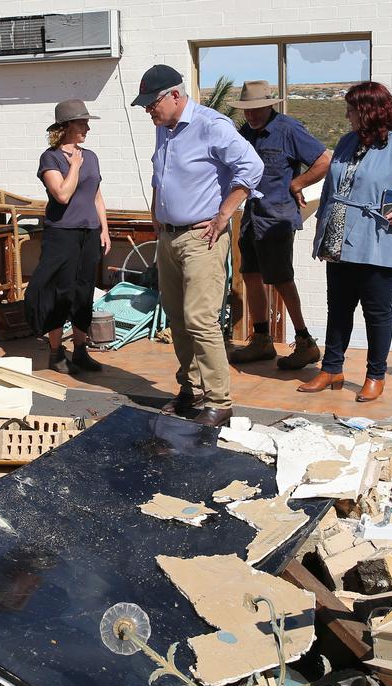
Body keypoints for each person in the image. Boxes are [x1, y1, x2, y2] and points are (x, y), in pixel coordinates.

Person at [131, 64, 263, 427]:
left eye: (152, 103)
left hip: (201, 237)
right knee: (176, 317)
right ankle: (191, 390)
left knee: (200, 319)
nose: (148, 111)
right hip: (169, 236)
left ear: (175, 95)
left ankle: (219, 401)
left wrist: (224, 215)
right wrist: (156, 210)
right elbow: (161, 172)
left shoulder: (211, 125)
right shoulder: (165, 128)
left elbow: (251, 167)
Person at [299, 81, 392, 402]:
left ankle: (375, 375)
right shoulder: (346, 141)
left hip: (378, 240)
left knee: (376, 311)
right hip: (339, 240)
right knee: (337, 308)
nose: (348, 115)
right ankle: (332, 369)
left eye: (352, 109)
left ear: (369, 111)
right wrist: (321, 230)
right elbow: (331, 188)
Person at [228, 80, 330, 370]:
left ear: (269, 105)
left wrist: (297, 183)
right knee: (250, 273)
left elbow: (324, 161)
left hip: (277, 216)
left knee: (281, 278)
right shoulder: (245, 133)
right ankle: (262, 340)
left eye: (257, 109)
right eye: (247, 111)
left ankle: (305, 343)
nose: (252, 115)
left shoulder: (288, 129)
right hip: (252, 213)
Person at [25, 99, 111, 374]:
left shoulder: (92, 156)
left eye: (87, 123)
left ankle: (81, 350)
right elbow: (62, 194)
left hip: (89, 233)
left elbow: (96, 195)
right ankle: (55, 352)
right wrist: (73, 165)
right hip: (61, 235)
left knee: (83, 292)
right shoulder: (50, 158)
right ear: (65, 127)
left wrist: (105, 229)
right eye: (82, 123)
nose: (87, 128)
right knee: (59, 292)